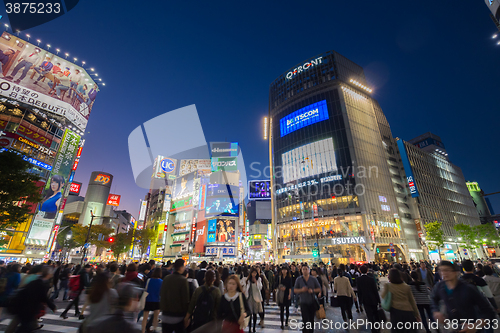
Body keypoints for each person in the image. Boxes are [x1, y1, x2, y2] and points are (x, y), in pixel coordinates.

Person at [432, 260, 497, 332]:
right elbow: (433, 300)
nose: (443, 273)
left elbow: (488, 312)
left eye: (447, 270)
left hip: (470, 326)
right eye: (441, 271)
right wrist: (436, 311)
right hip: (453, 328)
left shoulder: (468, 288)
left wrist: (475, 326)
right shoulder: (440, 287)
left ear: (455, 272)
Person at [6, 265, 56, 333]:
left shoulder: (33, 278)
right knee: (24, 326)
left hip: (24, 304)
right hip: (28, 306)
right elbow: (43, 296)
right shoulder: (39, 281)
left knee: (23, 324)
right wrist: (52, 306)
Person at [381, 268, 420, 333]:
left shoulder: (388, 285)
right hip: (408, 311)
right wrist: (416, 314)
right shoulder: (406, 286)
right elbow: (412, 301)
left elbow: (383, 296)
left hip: (396, 312)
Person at [160, 259, 190, 333]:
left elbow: (162, 294)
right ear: (181, 267)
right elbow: (185, 299)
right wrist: (187, 316)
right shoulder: (183, 280)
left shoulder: (166, 278)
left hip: (165, 314)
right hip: (178, 316)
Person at [294, 264, 321, 333]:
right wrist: (301, 290)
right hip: (303, 302)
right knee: (305, 319)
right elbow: (295, 290)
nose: (305, 271)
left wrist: (313, 291)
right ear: (301, 270)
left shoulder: (313, 279)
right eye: (303, 269)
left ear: (309, 270)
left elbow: (319, 288)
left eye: (306, 269)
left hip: (312, 302)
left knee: (311, 319)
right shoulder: (299, 279)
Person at [357, 265, 381, 333]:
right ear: (367, 270)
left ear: (360, 271)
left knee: (369, 315)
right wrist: (379, 301)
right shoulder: (371, 279)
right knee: (375, 313)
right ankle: (378, 327)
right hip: (373, 299)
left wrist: (360, 302)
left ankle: (373, 329)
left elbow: (359, 292)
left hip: (365, 300)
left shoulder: (358, 280)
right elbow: (375, 290)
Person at [141, 268, 162, 333]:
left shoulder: (149, 280)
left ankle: (143, 331)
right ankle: (154, 329)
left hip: (148, 299)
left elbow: (146, 289)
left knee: (145, 317)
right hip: (157, 300)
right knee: (155, 317)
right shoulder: (161, 281)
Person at [243, 267, 263, 333]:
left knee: (255, 313)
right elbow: (246, 288)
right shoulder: (248, 279)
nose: (254, 274)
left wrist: (256, 283)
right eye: (253, 273)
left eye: (255, 273)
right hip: (249, 298)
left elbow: (260, 288)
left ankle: (254, 327)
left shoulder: (259, 279)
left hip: (256, 298)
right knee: (250, 314)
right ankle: (249, 328)